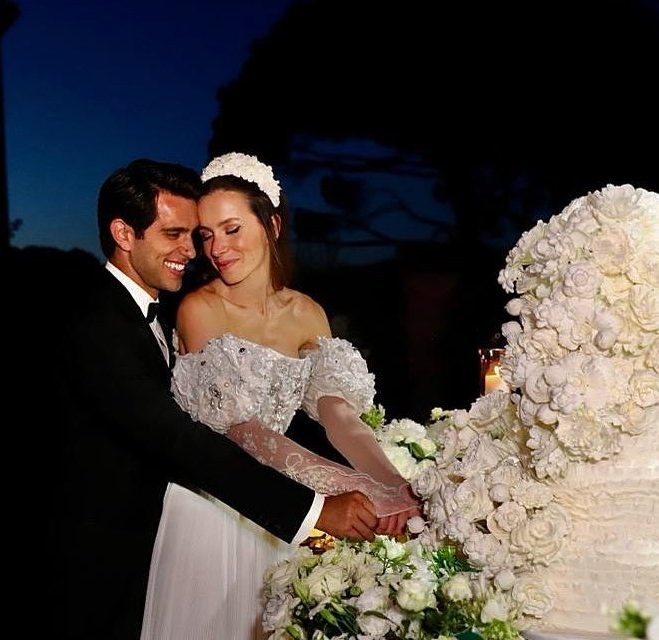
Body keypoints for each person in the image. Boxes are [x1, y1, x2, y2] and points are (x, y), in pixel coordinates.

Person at [29, 158, 384, 640]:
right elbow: (179, 440)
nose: (193, 251)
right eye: (175, 235)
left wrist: (384, 477)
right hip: (101, 563)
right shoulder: (95, 321)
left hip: (166, 537)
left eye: (193, 235)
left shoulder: (152, 310)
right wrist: (317, 510)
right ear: (124, 233)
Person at [141, 153, 421, 640]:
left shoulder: (307, 313)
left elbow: (338, 415)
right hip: (217, 513)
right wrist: (342, 487)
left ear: (270, 224)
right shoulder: (199, 309)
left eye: (231, 229)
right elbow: (245, 432)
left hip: (288, 512)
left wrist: (394, 484)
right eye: (206, 235)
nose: (216, 249)